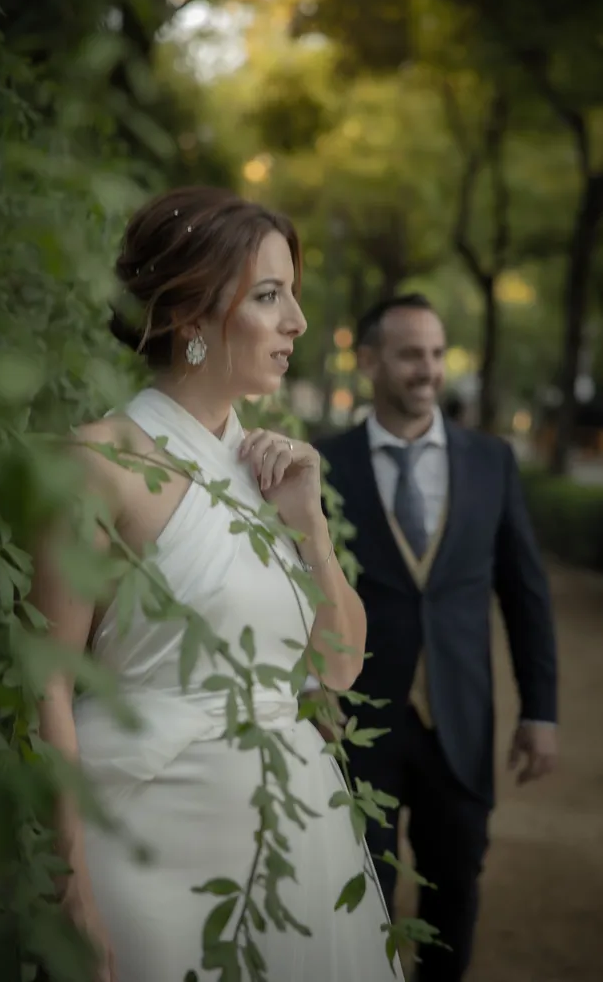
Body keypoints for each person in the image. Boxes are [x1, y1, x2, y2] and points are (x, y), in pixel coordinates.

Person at [29, 186, 401, 982]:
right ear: (191, 317)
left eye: (291, 295)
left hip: (291, 843)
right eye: (270, 296)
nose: (297, 321)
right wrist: (71, 894)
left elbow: (338, 667)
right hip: (145, 849)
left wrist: (309, 526)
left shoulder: (274, 468)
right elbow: (46, 686)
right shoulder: (98, 462)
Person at [313, 293, 558, 982]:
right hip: (358, 724)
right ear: (368, 363)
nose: (427, 370)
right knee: (363, 901)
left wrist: (540, 711)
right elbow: (296, 596)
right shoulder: (321, 466)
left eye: (434, 353)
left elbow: (526, 594)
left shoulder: (492, 461)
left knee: (456, 894)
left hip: (462, 721)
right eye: (409, 354)